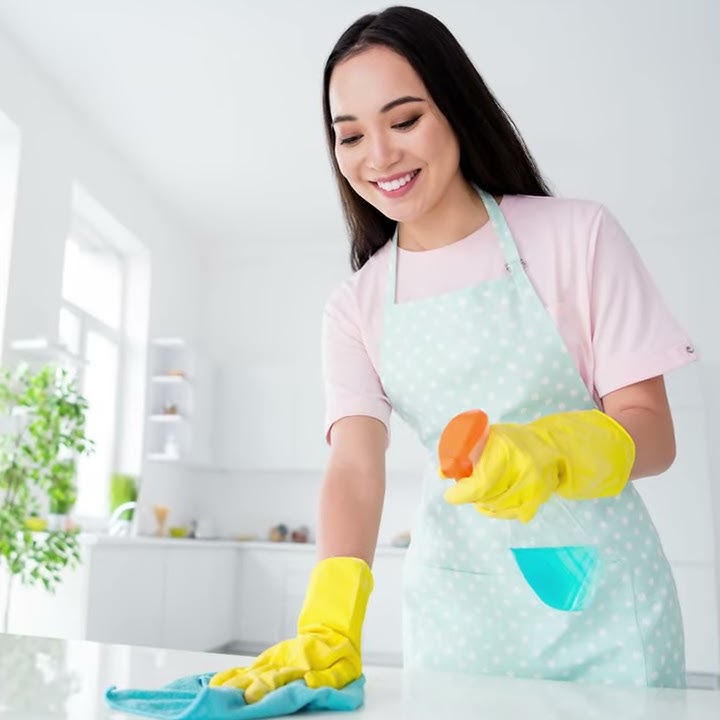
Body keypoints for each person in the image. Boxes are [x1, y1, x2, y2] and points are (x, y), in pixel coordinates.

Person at [210, 5, 697, 700]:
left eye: (404, 121)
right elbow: (354, 466)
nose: (378, 157)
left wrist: (554, 450)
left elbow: (652, 430)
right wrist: (329, 620)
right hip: (459, 612)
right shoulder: (357, 306)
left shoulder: (577, 237)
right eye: (350, 136)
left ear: (456, 110)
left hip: (608, 606)